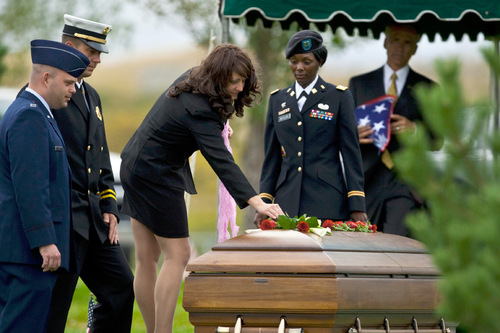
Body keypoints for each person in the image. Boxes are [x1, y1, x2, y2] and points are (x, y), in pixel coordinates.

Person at [120, 43, 284, 333]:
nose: (239, 86)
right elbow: (222, 162)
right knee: (179, 254)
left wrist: (220, 128)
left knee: (147, 258)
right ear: (218, 77)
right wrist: (258, 203)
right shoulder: (200, 110)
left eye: (243, 79)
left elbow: (199, 126)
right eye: (233, 81)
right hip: (156, 175)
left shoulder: (194, 79)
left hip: (134, 165)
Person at [45, 14, 134, 333]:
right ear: (69, 46)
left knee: (121, 288)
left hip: (94, 220)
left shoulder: (90, 95)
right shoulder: (51, 93)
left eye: (99, 53)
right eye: (91, 51)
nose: (97, 59)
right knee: (55, 306)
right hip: (65, 221)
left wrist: (110, 206)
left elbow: (100, 159)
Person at [0, 39, 89, 333]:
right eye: (68, 82)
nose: (73, 90)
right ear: (46, 78)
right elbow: (31, 186)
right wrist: (45, 241)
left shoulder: (35, 113)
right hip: (27, 256)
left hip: (22, 252)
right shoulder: (29, 116)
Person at [255, 30, 368, 226]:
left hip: (327, 201)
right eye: (293, 61)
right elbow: (272, 158)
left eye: (306, 62)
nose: (299, 68)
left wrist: (357, 204)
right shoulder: (277, 100)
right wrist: (264, 202)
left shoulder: (338, 97)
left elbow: (351, 153)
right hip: (285, 203)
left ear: (319, 62)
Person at [348, 24, 436, 236]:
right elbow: (341, 132)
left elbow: (438, 139)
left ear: (415, 48)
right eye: (396, 40)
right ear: (385, 43)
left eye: (408, 43)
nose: (400, 47)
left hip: (405, 181)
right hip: (366, 182)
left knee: (399, 242)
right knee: (364, 244)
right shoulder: (359, 84)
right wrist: (353, 136)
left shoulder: (427, 88)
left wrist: (415, 130)